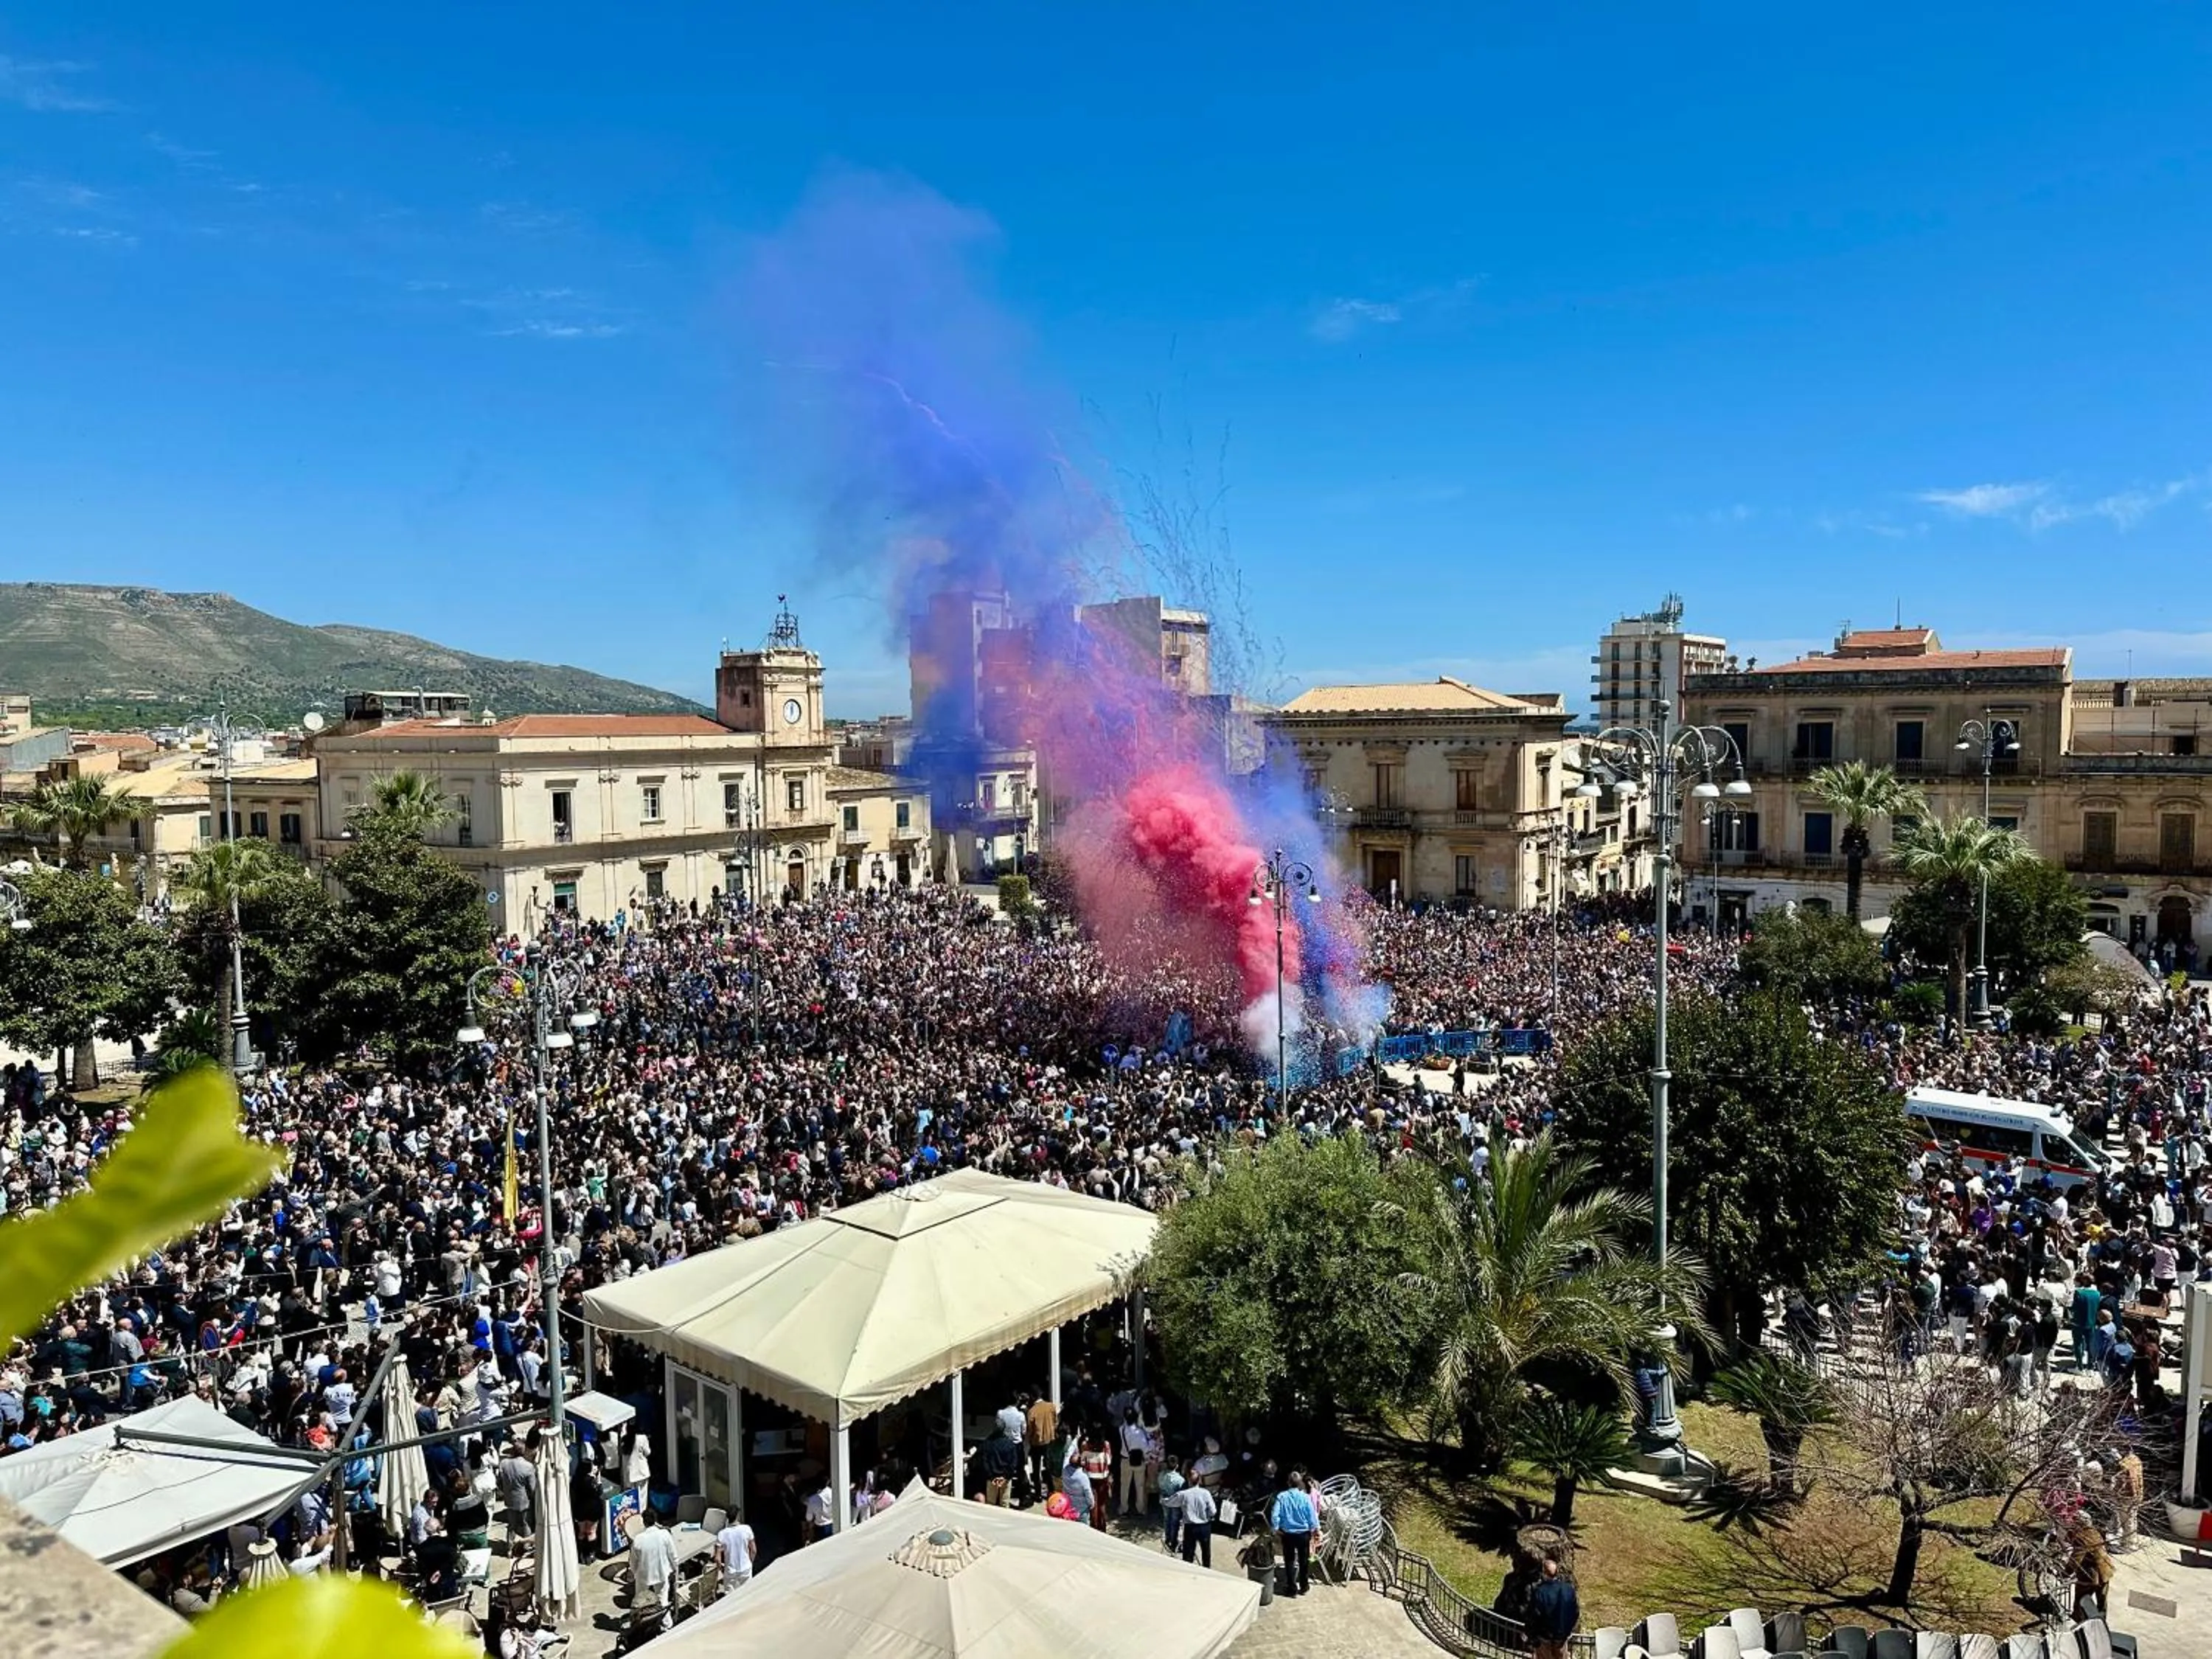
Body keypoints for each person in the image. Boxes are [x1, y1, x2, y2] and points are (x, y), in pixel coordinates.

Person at [1269, 1467, 1318, 1596]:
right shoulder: (1305, 1497)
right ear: (1300, 1483)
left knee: (1289, 1561)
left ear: (1288, 1483)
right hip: (1303, 1534)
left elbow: (1275, 1515)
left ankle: (1291, 1587)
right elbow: (1312, 1516)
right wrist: (1315, 1529)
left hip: (1288, 1534)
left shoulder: (1282, 1497)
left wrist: (1275, 1528)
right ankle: (1304, 1585)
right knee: (1304, 1560)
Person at [628, 1510, 678, 1630]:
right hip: (661, 1574)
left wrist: (635, 1574)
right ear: (656, 1521)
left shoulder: (638, 1540)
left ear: (644, 1522)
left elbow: (633, 1563)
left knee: (640, 1602)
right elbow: (673, 1556)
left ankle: (639, 1625)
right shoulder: (665, 1535)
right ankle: (667, 1625)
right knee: (663, 1601)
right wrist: (674, 1569)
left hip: (643, 1576)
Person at [1526, 1555, 1579, 1659]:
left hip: (1544, 1638)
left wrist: (1532, 1636)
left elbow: (1533, 1616)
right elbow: (1575, 1613)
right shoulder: (1568, 1589)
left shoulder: (1540, 1592)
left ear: (1544, 1573)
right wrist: (1567, 1631)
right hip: (1561, 1638)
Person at [1178, 1476, 1218, 1568]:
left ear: (1189, 1481)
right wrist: (1207, 1516)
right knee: (1206, 1551)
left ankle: (1187, 1570)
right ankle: (1206, 1570)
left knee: (1188, 1554)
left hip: (1190, 1526)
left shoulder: (1185, 1494)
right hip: (1204, 1526)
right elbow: (1213, 1511)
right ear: (1199, 1481)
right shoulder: (1206, 1493)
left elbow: (1177, 1506)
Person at [715, 1509, 757, 1594]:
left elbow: (717, 1559)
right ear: (738, 1516)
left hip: (730, 1571)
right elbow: (753, 1550)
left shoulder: (722, 1534)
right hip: (746, 1568)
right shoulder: (747, 1529)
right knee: (747, 1593)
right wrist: (750, 1562)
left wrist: (722, 1569)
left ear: (727, 1518)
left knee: (729, 1596)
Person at [1158, 1455, 1187, 1556]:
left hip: (1164, 1500)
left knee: (1166, 1519)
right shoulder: (1180, 1480)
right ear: (1177, 1465)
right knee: (1175, 1522)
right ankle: (1173, 1541)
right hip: (1175, 1503)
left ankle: (1167, 1538)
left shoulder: (1161, 1475)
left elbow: (1160, 1486)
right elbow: (1182, 1494)